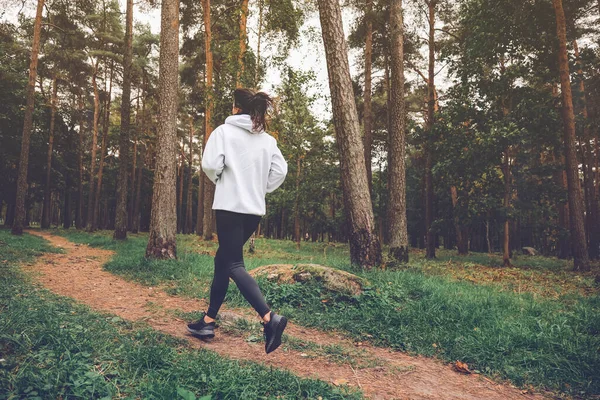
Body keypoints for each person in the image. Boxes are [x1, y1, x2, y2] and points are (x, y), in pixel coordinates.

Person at [187, 88, 288, 354]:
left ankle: (269, 318)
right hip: (253, 211)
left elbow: (210, 165)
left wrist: (223, 178)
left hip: (230, 207)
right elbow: (280, 170)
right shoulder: (267, 141)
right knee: (222, 260)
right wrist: (259, 187)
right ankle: (207, 322)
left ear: (236, 108)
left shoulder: (223, 132)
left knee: (232, 263)